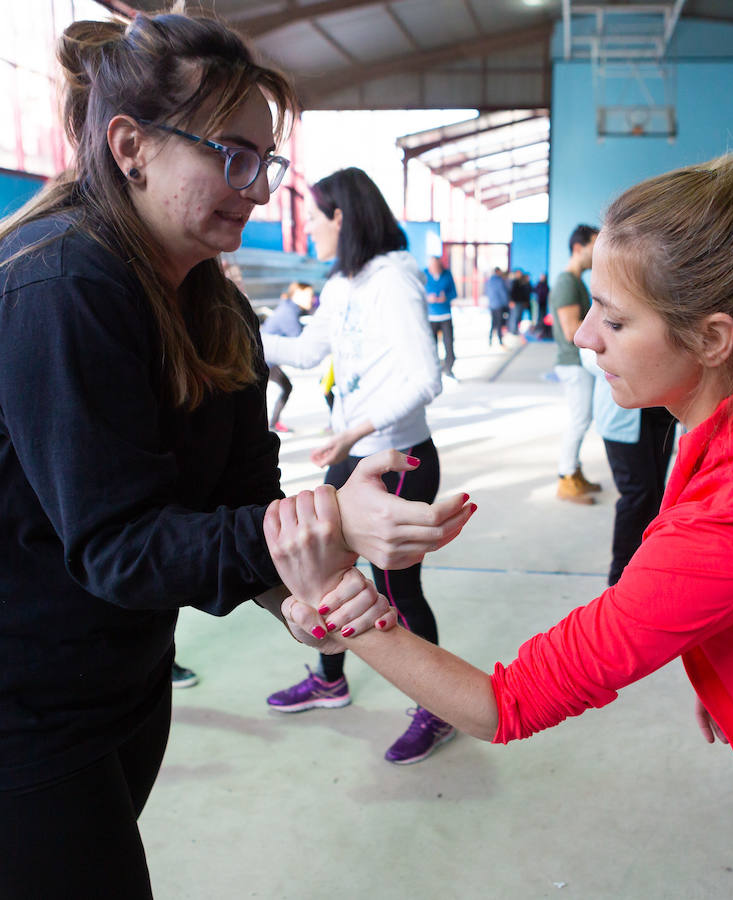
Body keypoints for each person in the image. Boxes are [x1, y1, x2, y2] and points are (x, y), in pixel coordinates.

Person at [269, 95, 733, 899]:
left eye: (614, 320)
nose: (584, 334)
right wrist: (729, 665)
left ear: (712, 338)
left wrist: (336, 598)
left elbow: (502, 704)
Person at [0, 11, 472, 898]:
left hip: (122, 680)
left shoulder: (213, 307)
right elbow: (118, 547)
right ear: (131, 146)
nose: (254, 189)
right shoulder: (63, 283)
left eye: (264, 162)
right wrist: (332, 519)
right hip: (27, 706)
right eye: (231, 156)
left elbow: (241, 497)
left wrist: (295, 592)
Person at [261, 167, 456, 765]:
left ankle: (438, 709)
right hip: (352, 456)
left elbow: (425, 379)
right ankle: (330, 681)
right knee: (327, 574)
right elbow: (305, 350)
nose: (309, 230)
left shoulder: (392, 279)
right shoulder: (343, 281)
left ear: (340, 217)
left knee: (397, 590)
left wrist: (355, 429)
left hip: (398, 460)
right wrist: (229, 325)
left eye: (314, 218)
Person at [580, 349, 677, 585]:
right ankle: (620, 579)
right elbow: (590, 357)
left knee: (657, 494)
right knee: (637, 495)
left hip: (662, 411)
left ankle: (648, 568)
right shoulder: (602, 326)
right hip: (623, 416)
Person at [550, 224, 601, 504]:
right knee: (579, 421)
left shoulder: (576, 281)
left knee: (582, 419)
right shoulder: (567, 282)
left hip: (578, 363)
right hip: (573, 362)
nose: (599, 251)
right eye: (595, 244)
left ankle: (574, 473)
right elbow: (572, 330)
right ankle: (566, 477)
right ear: (578, 247)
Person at [261, 281, 316, 432]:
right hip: (265, 359)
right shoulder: (288, 312)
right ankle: (270, 425)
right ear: (297, 294)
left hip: (267, 358)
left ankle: (271, 424)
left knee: (284, 387)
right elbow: (298, 338)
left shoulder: (290, 308)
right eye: (309, 295)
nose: (311, 299)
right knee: (281, 388)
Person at [424, 254, 458, 380]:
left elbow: (454, 293)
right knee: (431, 346)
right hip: (430, 317)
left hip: (445, 315)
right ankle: (434, 370)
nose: (434, 268)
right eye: (432, 266)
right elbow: (418, 294)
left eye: (436, 266)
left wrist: (446, 298)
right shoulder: (424, 275)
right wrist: (428, 298)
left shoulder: (447, 275)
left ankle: (448, 369)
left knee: (449, 343)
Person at [485, 266, 510, 346]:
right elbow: (503, 293)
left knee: (493, 323)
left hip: (492, 305)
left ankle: (490, 340)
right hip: (499, 305)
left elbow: (487, 292)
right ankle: (500, 341)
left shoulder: (489, 281)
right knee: (499, 323)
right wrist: (506, 303)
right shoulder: (499, 281)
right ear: (498, 272)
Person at [507, 268, 531, 338]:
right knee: (514, 317)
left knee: (518, 317)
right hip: (515, 302)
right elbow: (510, 292)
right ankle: (513, 331)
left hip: (521, 302)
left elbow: (525, 293)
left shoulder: (522, 282)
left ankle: (515, 330)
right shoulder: (513, 282)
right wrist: (511, 301)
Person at [533, 273, 550, 339]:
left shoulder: (545, 285)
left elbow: (547, 292)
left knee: (543, 316)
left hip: (544, 303)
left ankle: (542, 330)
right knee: (538, 316)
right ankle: (538, 329)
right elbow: (535, 290)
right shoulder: (538, 284)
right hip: (538, 303)